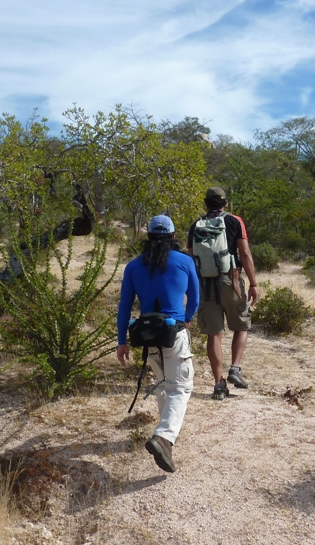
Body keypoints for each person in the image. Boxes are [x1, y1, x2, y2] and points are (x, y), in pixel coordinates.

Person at [117, 215, 199, 473]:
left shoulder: (132, 267)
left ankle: (167, 438)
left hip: (146, 335)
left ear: (148, 237)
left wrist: (122, 341)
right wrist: (187, 320)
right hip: (174, 332)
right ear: (174, 237)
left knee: (165, 384)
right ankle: (163, 436)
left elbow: (124, 307)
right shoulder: (185, 261)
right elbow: (195, 299)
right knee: (181, 387)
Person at [188, 187, 259, 400]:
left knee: (214, 334)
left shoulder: (196, 225)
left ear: (206, 203)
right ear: (225, 203)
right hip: (231, 279)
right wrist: (254, 283)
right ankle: (235, 368)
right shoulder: (234, 221)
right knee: (241, 324)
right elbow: (244, 253)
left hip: (205, 282)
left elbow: (191, 257)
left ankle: (218, 384)